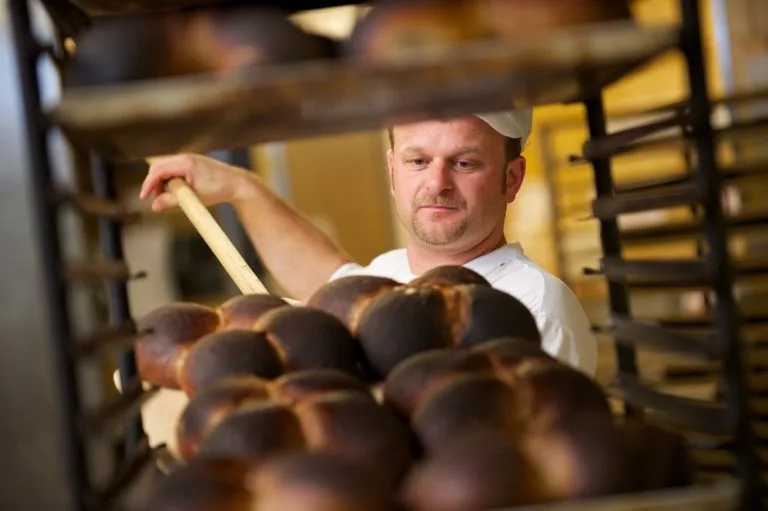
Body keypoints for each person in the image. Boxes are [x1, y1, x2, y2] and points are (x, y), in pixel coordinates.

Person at [140, 109, 598, 376]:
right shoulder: (394, 273)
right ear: (392, 172)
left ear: (511, 179)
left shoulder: (532, 306)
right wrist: (240, 188)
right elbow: (332, 282)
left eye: (463, 163)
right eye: (417, 160)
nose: (436, 183)